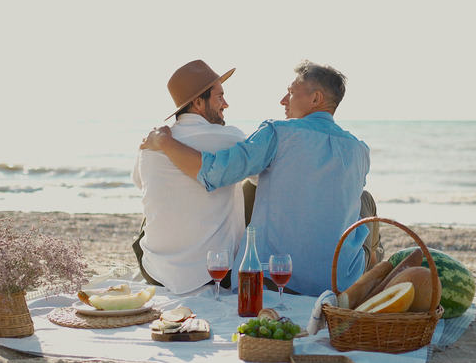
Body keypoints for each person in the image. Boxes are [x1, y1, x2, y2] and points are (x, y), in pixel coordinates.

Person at [141, 60, 380, 297]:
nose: (283, 101)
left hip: (273, 278)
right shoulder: (360, 150)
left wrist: (164, 141)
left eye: (290, 93)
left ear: (316, 99)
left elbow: (215, 172)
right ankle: (375, 258)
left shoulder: (277, 132)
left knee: (249, 186)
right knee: (364, 200)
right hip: (340, 283)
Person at [132, 60, 248, 294]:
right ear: (197, 102)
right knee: (254, 185)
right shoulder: (230, 138)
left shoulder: (149, 143)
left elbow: (139, 182)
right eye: (219, 97)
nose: (226, 104)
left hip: (153, 270)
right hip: (212, 273)